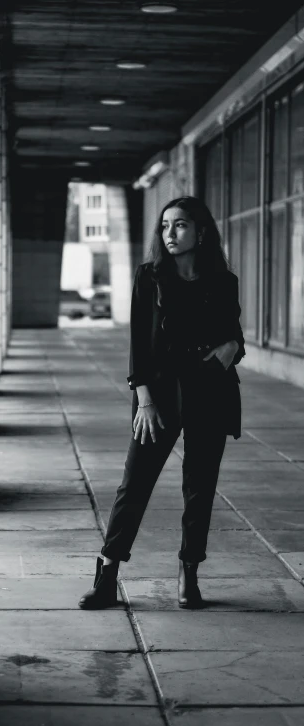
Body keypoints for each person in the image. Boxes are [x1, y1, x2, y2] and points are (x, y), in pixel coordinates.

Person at [79, 196, 245, 611]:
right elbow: (139, 341)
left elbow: (234, 334)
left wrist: (232, 348)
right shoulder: (149, 277)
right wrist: (144, 399)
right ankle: (107, 571)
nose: (170, 234)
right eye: (166, 225)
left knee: (199, 487)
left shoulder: (223, 281)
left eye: (181, 225)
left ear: (201, 232)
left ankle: (189, 571)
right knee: (134, 485)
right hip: (160, 393)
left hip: (211, 390)